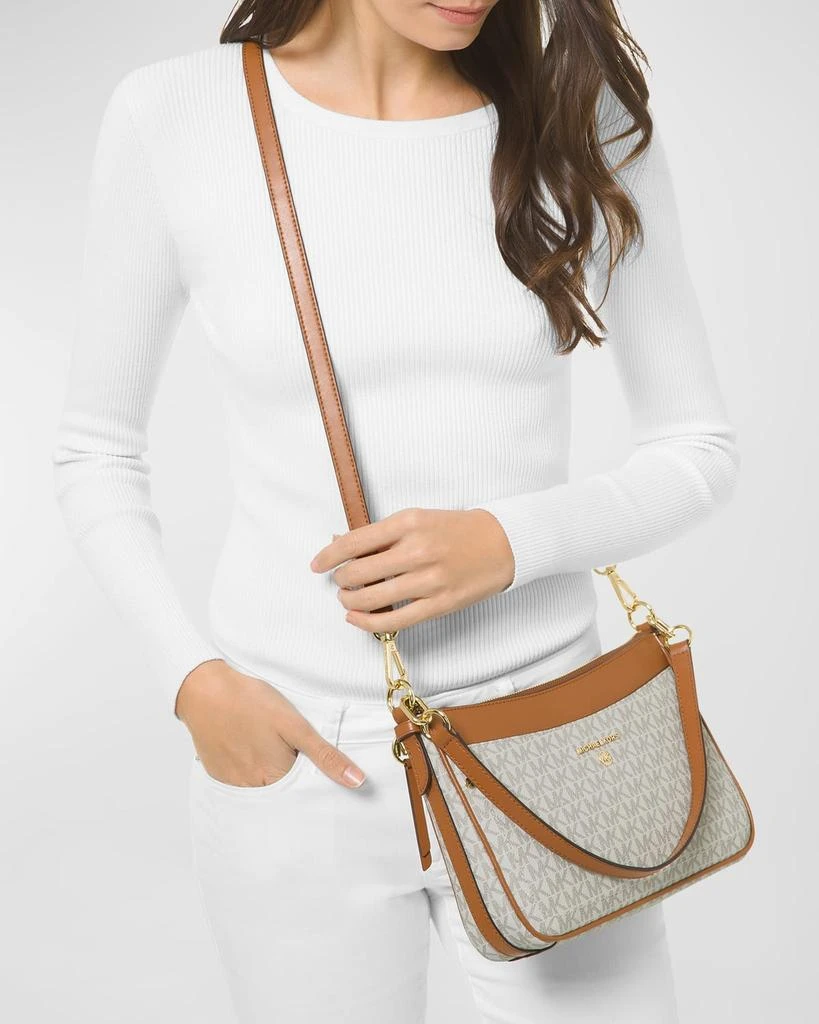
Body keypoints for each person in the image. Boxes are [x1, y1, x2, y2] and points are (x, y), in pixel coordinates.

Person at [52, 1, 739, 1021]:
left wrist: (508, 542)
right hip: (301, 757)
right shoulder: (176, 115)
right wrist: (193, 681)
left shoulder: (573, 113)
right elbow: (96, 452)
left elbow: (698, 449)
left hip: (550, 743)